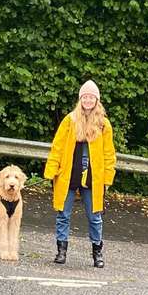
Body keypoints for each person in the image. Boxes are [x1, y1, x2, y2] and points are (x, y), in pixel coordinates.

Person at [44, 80, 116, 268]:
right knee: (63, 214)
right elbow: (57, 147)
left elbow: (109, 153)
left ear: (97, 100)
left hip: (93, 178)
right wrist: (52, 170)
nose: (88, 100)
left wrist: (108, 177)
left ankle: (97, 252)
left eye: (91, 97)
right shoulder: (70, 120)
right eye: (85, 97)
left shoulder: (103, 124)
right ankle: (61, 251)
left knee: (95, 217)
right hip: (68, 175)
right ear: (80, 99)